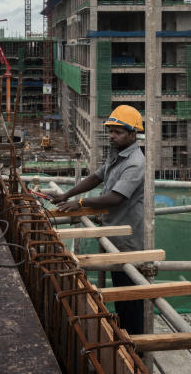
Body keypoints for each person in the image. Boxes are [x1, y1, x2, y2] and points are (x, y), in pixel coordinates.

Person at [52, 105, 146, 335]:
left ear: (133, 135)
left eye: (119, 132)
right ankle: (123, 335)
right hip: (112, 232)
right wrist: (67, 194)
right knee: (121, 293)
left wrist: (81, 204)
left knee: (129, 295)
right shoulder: (117, 154)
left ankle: (135, 347)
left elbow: (115, 198)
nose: (112, 136)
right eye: (111, 131)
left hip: (127, 239)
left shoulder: (135, 162)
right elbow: (96, 177)